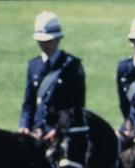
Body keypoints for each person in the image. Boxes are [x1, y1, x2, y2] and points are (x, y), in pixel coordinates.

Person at [18, 11, 85, 139]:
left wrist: (58, 130)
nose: (45, 45)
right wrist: (24, 126)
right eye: (41, 41)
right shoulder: (33, 66)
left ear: (58, 39)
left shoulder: (72, 66)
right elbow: (28, 103)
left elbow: (76, 106)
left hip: (61, 133)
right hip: (36, 132)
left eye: (49, 41)